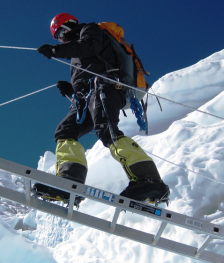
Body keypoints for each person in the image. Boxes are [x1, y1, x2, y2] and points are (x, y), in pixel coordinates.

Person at [34, 13, 169, 205]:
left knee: (107, 129)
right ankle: (69, 181)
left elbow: (91, 46)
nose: (62, 38)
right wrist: (70, 91)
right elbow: (86, 74)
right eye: (58, 37)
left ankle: (149, 180)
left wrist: (56, 50)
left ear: (71, 24)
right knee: (65, 131)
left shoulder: (89, 30)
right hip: (88, 95)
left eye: (62, 33)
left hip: (106, 86)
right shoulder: (75, 53)